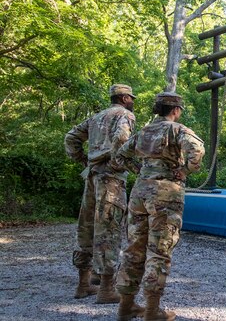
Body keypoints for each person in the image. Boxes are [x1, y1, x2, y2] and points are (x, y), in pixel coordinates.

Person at [114, 92, 205, 321]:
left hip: (139, 193)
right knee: (159, 251)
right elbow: (198, 151)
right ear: (175, 110)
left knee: (134, 248)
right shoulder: (176, 130)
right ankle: (152, 311)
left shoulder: (144, 132)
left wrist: (141, 172)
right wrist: (184, 171)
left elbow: (119, 156)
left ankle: (125, 307)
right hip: (165, 193)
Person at [64, 84, 137, 303]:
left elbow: (71, 138)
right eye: (131, 98)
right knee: (109, 231)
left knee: (86, 228)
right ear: (124, 98)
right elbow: (122, 138)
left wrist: (84, 159)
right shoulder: (125, 115)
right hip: (110, 180)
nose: (133, 101)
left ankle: (83, 284)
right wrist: (119, 161)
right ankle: (106, 289)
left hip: (92, 177)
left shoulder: (96, 118)